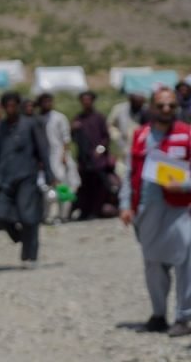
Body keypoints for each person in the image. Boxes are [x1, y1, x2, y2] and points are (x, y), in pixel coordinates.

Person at [119, 88, 191, 337]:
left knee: (185, 262)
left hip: (181, 208)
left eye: (171, 105)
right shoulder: (140, 136)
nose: (167, 110)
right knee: (153, 262)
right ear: (152, 107)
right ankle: (158, 313)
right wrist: (125, 204)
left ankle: (184, 315)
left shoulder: (187, 134)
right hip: (147, 208)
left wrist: (183, 184)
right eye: (161, 106)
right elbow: (129, 174)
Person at [0, 92, 55, 266]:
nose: (11, 109)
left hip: (27, 177)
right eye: (7, 106)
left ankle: (30, 255)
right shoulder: (0, 127)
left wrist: (49, 174)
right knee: (1, 215)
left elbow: (43, 150)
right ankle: (19, 238)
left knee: (28, 217)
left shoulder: (30, 125)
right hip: (6, 178)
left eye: (13, 105)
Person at [38, 93, 80, 223]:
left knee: (64, 186)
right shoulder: (38, 119)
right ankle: (48, 215)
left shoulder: (59, 118)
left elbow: (65, 138)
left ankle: (63, 215)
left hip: (59, 156)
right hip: (46, 157)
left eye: (49, 101)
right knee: (47, 189)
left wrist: (64, 155)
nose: (47, 104)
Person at [73, 91, 113, 219]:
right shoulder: (78, 118)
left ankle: (97, 210)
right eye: (83, 100)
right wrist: (73, 129)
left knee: (100, 185)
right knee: (85, 186)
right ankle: (85, 210)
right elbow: (73, 138)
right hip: (84, 160)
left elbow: (106, 137)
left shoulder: (99, 117)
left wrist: (100, 149)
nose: (86, 102)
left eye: (88, 99)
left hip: (98, 160)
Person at [108, 91, 148, 179]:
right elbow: (110, 125)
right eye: (135, 102)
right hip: (123, 147)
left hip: (142, 148)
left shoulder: (147, 110)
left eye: (140, 103)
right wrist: (117, 137)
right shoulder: (119, 109)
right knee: (123, 175)